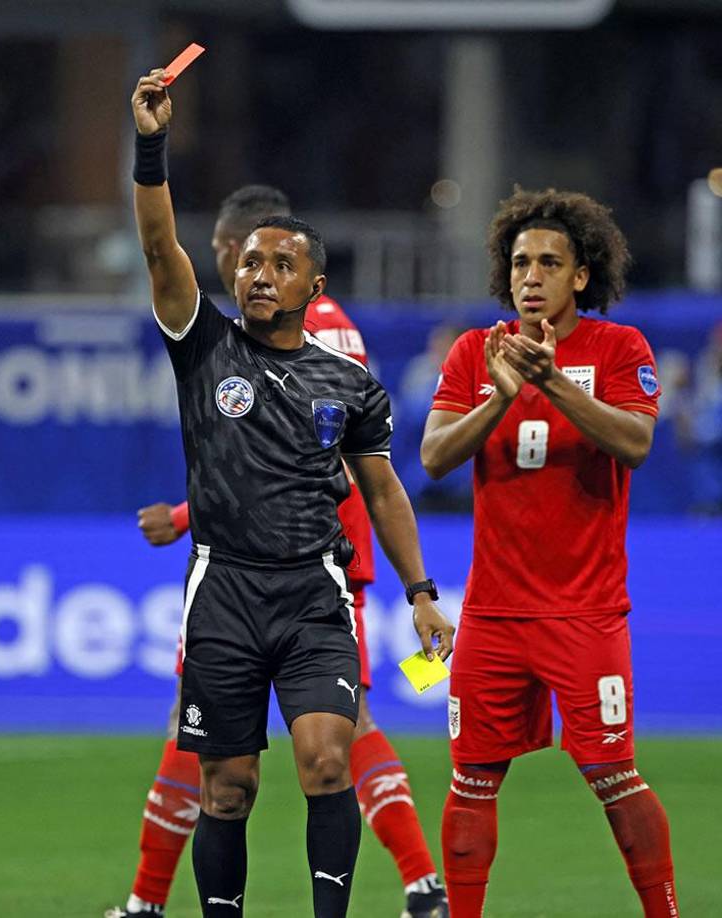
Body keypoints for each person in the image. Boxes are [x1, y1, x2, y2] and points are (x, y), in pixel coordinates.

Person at [130, 69, 454, 918]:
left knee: (327, 762)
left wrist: (421, 593)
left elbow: (382, 491)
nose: (257, 274)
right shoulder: (202, 348)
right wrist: (152, 142)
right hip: (225, 590)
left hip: (316, 590)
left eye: (280, 264)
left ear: (315, 287)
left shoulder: (346, 380)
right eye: (248, 262)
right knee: (229, 787)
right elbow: (160, 245)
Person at [421, 188, 678, 917]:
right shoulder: (477, 351)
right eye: (519, 261)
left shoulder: (621, 349)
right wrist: (499, 396)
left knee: (613, 777)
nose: (529, 275)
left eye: (548, 262)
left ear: (581, 276)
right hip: (494, 615)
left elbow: (635, 443)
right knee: (471, 780)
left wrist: (551, 381)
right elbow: (434, 455)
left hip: (585, 611)